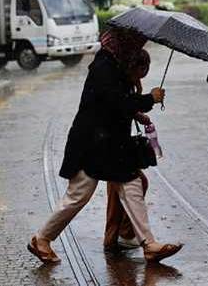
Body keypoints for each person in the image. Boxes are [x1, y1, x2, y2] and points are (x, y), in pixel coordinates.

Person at [28, 29, 183, 263]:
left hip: (112, 146)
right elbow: (115, 102)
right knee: (79, 195)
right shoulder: (104, 67)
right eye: (133, 45)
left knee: (131, 185)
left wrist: (137, 112)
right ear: (123, 45)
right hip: (91, 144)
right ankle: (41, 239)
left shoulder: (115, 65)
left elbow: (115, 103)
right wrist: (149, 99)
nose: (135, 50)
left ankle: (149, 245)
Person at [104, 49, 153, 251]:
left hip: (118, 143)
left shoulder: (131, 82)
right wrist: (150, 99)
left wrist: (138, 115)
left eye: (147, 68)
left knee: (117, 193)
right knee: (136, 183)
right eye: (142, 68)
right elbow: (118, 105)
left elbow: (126, 106)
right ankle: (122, 234)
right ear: (133, 66)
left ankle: (116, 235)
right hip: (111, 143)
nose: (145, 72)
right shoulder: (120, 80)